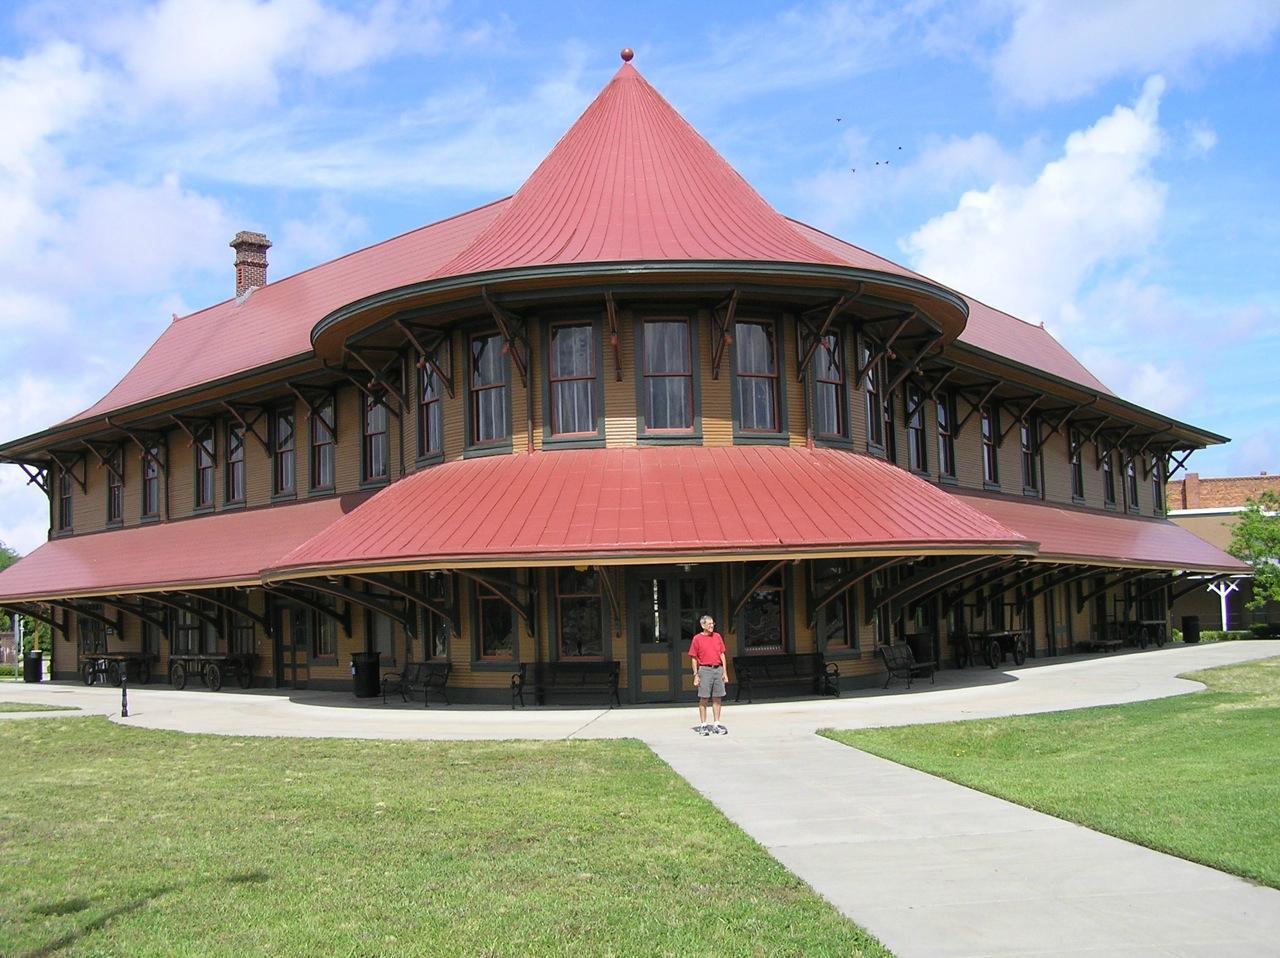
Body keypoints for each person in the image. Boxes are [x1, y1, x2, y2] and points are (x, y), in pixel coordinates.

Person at [688, 614, 728, 736]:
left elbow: (722, 655)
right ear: (702, 625)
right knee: (704, 697)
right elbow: (694, 658)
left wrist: (725, 672)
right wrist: (696, 674)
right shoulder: (697, 639)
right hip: (704, 670)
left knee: (717, 697)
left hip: (718, 669)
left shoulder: (717, 637)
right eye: (709, 624)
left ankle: (716, 724)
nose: (711, 626)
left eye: (712, 623)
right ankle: (703, 725)